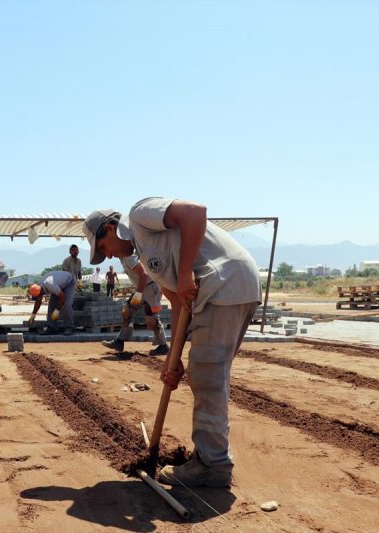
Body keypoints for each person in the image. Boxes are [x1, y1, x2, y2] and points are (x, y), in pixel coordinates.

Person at [83, 197, 261, 488]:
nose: (110, 256)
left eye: (104, 248)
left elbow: (194, 213)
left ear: (111, 228)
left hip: (224, 281)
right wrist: (173, 358)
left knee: (207, 376)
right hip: (225, 288)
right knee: (208, 376)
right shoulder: (144, 255)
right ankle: (209, 455)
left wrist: (187, 271)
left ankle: (213, 464)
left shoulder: (140, 215)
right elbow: (178, 303)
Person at [102, 254, 169, 356]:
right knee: (127, 312)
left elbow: (144, 274)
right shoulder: (123, 257)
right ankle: (120, 341)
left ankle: (163, 346)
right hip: (142, 287)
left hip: (150, 288)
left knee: (151, 319)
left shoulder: (128, 256)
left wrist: (138, 293)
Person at [27, 271, 76, 335]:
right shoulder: (40, 287)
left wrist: (57, 310)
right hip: (58, 285)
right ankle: (53, 328)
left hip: (69, 282)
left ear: (41, 292)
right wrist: (33, 314)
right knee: (51, 307)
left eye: (38, 297)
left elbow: (63, 297)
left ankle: (70, 327)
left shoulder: (49, 284)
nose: (38, 299)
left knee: (67, 304)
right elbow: (38, 301)